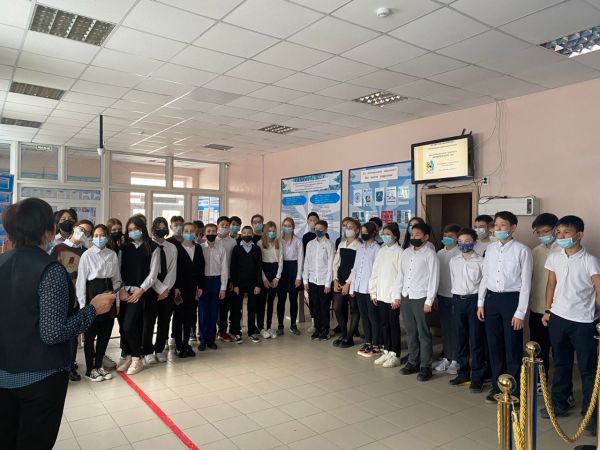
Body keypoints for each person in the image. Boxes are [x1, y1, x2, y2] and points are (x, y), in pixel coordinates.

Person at [0, 198, 114, 450]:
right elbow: (53, 333)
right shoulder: (50, 270)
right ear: (48, 231)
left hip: (4, 373)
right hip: (40, 376)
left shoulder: (3, 262)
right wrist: (93, 309)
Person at [540, 215, 600, 437]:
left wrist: (596, 314)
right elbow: (551, 284)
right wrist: (548, 310)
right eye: (559, 232)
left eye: (566, 232)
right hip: (558, 317)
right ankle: (559, 404)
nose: (561, 236)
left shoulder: (590, 260)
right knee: (561, 363)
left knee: (587, 369)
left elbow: (599, 290)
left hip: (583, 321)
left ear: (579, 235)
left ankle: (591, 415)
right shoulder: (555, 257)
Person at [477, 211, 533, 403]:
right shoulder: (490, 249)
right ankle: (497, 386)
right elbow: (485, 277)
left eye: (503, 225)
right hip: (492, 300)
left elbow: (526, 284)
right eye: (496, 225)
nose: (498, 228)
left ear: (513, 227)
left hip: (512, 301)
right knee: (494, 345)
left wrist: (520, 312)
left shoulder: (522, 250)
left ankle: (513, 389)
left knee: (512, 345)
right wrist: (480, 302)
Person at [76, 224, 121, 382]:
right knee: (90, 335)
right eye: (96, 235)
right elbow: (81, 282)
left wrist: (117, 302)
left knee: (105, 333)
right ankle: (90, 369)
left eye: (102, 235)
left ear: (107, 237)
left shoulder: (112, 254)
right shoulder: (87, 255)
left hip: (109, 291)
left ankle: (99, 365)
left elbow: (117, 279)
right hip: (92, 292)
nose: (99, 238)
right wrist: (83, 306)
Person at [395, 222, 439, 382]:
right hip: (406, 296)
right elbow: (400, 275)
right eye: (412, 234)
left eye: (417, 235)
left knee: (423, 333)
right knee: (410, 331)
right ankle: (413, 361)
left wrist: (429, 300)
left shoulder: (430, 254)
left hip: (421, 298)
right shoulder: (406, 252)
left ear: (426, 237)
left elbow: (434, 278)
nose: (413, 237)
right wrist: (397, 295)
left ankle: (425, 366)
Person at [50, 219, 94, 381]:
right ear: (75, 228)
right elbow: (51, 271)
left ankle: (70, 366)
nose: (83, 233)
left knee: (73, 333)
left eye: (87, 232)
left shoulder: (86, 252)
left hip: (78, 298)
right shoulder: (58, 248)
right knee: (58, 332)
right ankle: (58, 365)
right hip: (60, 297)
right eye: (81, 229)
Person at [117, 216, 159, 376]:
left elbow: (153, 275)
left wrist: (140, 290)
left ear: (143, 228)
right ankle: (129, 356)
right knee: (123, 327)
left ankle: (137, 358)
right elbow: (117, 271)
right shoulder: (124, 248)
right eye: (130, 230)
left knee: (129, 325)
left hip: (141, 293)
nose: (133, 232)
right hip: (123, 292)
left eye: (136, 229)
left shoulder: (153, 247)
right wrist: (121, 289)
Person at [448, 228, 486, 393]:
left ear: (474, 242)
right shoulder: (454, 261)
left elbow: (484, 284)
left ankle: (477, 377)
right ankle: (463, 373)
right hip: (458, 300)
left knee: (476, 340)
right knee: (460, 339)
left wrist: (480, 304)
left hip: (474, 301)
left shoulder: (481, 261)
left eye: (467, 241)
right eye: (461, 242)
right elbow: (453, 280)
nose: (464, 244)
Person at [142, 218, 177, 365]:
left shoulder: (172, 247)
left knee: (164, 321)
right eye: (158, 227)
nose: (161, 230)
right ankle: (147, 351)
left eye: (164, 227)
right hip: (150, 288)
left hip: (167, 289)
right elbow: (149, 272)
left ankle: (159, 349)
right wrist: (159, 289)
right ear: (153, 229)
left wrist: (165, 290)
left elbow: (172, 270)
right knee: (149, 322)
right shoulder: (147, 246)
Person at [530, 213, 560, 378]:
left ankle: (560, 384)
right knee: (538, 347)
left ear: (556, 229)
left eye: (545, 231)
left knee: (559, 349)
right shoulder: (535, 251)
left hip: (558, 309)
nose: (542, 235)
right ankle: (541, 380)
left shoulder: (564, 250)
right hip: (537, 307)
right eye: (538, 232)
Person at [369, 223, 402, 367]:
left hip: (392, 297)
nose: (385, 236)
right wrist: (373, 292)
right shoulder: (382, 250)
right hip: (381, 294)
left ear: (395, 236)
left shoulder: (400, 252)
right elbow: (375, 272)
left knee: (393, 324)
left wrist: (396, 296)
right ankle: (387, 351)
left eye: (388, 234)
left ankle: (395, 354)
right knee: (384, 323)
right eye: (384, 234)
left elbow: (400, 276)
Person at [173, 223, 205, 358]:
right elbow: (173, 269)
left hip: (193, 289)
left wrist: (200, 286)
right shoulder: (176, 248)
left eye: (192, 231)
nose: (189, 233)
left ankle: (186, 344)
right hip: (179, 290)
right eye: (186, 231)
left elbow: (201, 268)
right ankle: (178, 345)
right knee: (178, 317)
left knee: (189, 317)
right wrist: (175, 287)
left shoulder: (198, 248)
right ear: (182, 233)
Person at [434, 224, 461, 375]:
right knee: (445, 329)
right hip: (442, 295)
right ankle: (447, 357)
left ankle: (456, 359)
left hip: (455, 296)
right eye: (445, 236)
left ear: (457, 238)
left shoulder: (460, 253)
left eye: (451, 236)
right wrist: (436, 295)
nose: (447, 238)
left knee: (456, 329)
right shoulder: (439, 253)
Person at [352, 222, 381, 357]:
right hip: (359, 287)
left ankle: (376, 343)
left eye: (365, 232)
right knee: (364, 315)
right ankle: (368, 341)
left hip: (370, 289)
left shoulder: (377, 248)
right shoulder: (361, 247)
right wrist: (353, 287)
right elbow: (355, 267)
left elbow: (377, 271)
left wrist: (374, 290)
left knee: (373, 316)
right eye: (362, 232)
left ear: (373, 233)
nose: (363, 234)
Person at [303, 220, 335, 341]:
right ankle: (317, 329)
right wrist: (305, 280)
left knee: (324, 307)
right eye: (316, 229)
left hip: (324, 281)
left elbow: (331, 265)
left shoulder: (329, 244)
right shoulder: (310, 244)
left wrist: (328, 283)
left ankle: (325, 329)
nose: (318, 231)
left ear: (325, 230)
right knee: (315, 306)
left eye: (320, 229)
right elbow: (307, 262)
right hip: (312, 280)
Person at [198, 223, 228, 351]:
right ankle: (202, 339)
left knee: (214, 311)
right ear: (205, 233)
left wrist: (223, 288)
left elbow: (224, 269)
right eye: (208, 231)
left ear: (217, 233)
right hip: (203, 282)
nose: (211, 233)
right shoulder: (200, 248)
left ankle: (211, 339)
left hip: (216, 281)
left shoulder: (221, 249)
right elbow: (197, 269)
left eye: (213, 231)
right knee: (203, 312)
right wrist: (198, 285)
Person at [230, 226, 263, 343]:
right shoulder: (236, 248)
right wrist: (235, 284)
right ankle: (236, 332)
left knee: (252, 308)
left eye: (249, 233)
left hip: (253, 283)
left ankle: (251, 332)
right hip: (239, 283)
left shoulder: (257, 249)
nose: (247, 235)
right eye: (244, 233)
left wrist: (258, 285)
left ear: (252, 235)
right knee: (237, 308)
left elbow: (259, 268)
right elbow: (233, 267)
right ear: (241, 234)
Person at [332, 218, 361, 347]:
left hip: (352, 281)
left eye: (350, 228)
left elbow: (357, 266)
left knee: (354, 309)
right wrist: (335, 279)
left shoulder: (359, 246)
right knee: (337, 307)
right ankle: (343, 333)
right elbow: (336, 263)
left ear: (357, 230)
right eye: (346, 227)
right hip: (340, 278)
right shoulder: (341, 244)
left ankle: (349, 337)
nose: (347, 230)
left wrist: (348, 283)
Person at [257, 221, 283, 339]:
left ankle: (269, 326)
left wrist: (277, 278)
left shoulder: (278, 242)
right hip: (264, 271)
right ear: (265, 232)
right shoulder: (260, 243)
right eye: (269, 231)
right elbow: (259, 264)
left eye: (274, 231)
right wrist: (264, 279)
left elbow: (281, 261)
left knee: (271, 301)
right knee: (262, 301)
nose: (272, 233)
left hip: (275, 270)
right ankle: (261, 327)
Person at [278, 217, 303, 335]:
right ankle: (280, 325)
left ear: (293, 227)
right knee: (281, 299)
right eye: (285, 225)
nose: (287, 227)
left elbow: (301, 260)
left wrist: (298, 277)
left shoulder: (298, 241)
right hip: (282, 270)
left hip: (294, 269)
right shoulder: (278, 240)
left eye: (289, 226)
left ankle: (293, 324)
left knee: (293, 299)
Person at [216, 216, 237, 343]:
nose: (224, 227)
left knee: (224, 307)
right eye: (222, 225)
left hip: (228, 278)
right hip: (214, 277)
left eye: (227, 225)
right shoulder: (213, 240)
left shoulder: (233, 242)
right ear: (217, 226)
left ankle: (222, 331)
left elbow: (234, 262)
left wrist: (232, 280)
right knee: (214, 307)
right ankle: (210, 330)